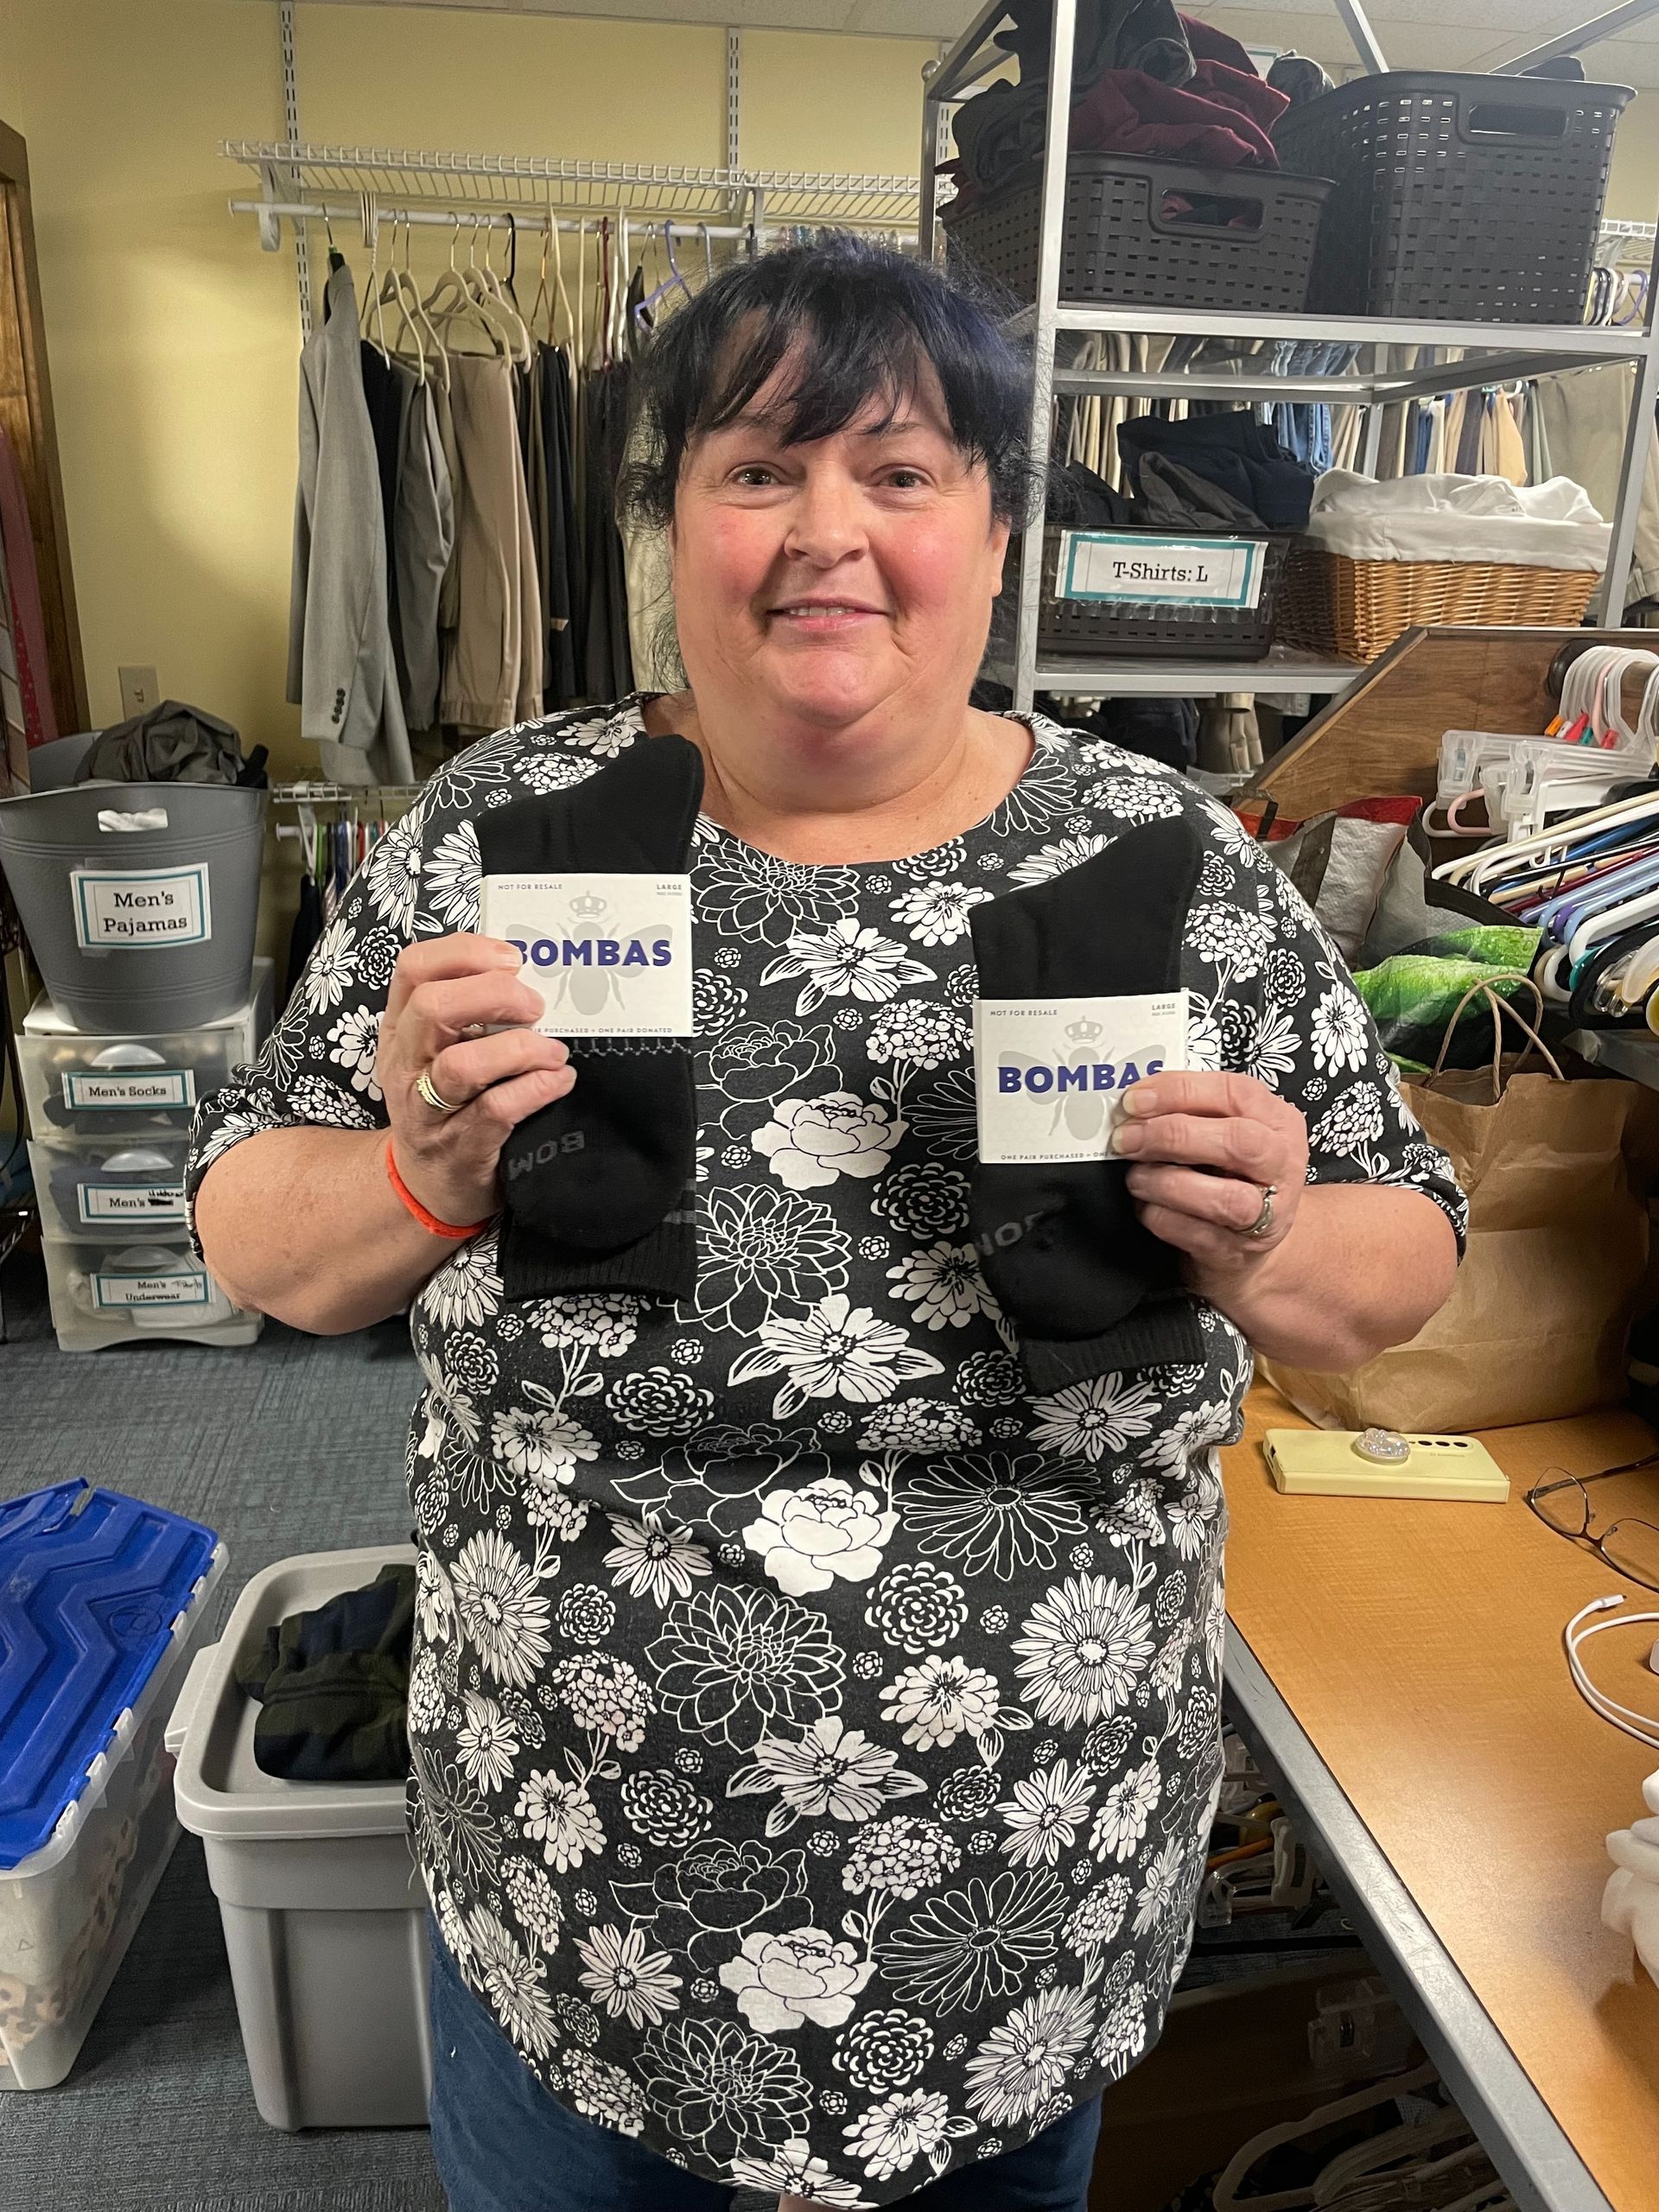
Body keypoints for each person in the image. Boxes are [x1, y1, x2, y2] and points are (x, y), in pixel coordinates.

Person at [191, 238, 1462, 2212]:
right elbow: (254, 1233)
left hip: (1016, 1884)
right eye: (760, 469)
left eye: (900, 471)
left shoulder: (1166, 861)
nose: (826, 535)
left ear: (996, 525)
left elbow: (1405, 1263)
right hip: (587, 1871)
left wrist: (1264, 1238)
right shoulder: (502, 834)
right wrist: (418, 1175)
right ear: (669, 521)